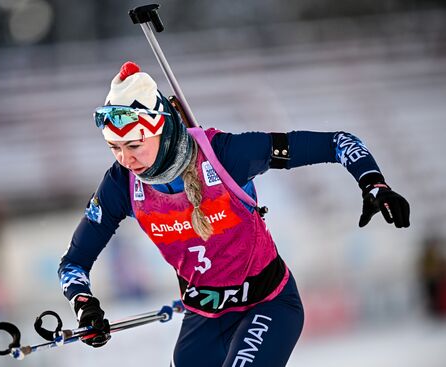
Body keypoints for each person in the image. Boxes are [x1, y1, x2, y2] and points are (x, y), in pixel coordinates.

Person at [58, 61, 410, 366]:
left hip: (269, 305)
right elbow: (73, 263)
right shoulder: (121, 185)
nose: (125, 159)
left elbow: (337, 142)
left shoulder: (226, 155)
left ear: (162, 130)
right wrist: (84, 305)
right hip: (205, 317)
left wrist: (373, 183)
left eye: (134, 145)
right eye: (114, 147)